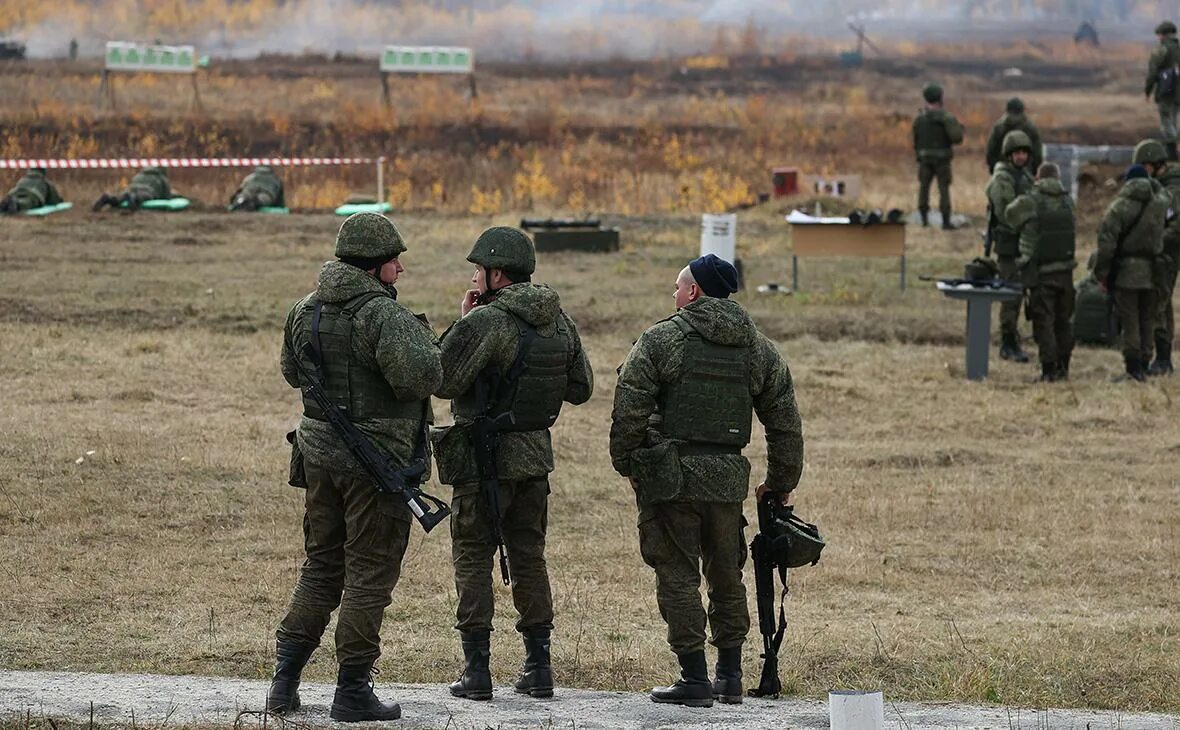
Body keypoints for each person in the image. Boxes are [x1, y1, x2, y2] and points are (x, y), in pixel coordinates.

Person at [609, 254, 804, 708]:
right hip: (727, 482)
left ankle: (693, 678)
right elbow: (784, 421)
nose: (674, 296)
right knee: (726, 574)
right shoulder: (758, 349)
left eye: (677, 288)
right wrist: (780, 482)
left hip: (670, 480)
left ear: (693, 292)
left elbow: (629, 407)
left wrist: (630, 465)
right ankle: (730, 676)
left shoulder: (662, 339)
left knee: (677, 574)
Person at [270, 212, 442, 721]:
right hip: (376, 466)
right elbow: (422, 378)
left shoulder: (306, 309)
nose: (400, 270)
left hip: (320, 458)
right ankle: (352, 691)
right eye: (394, 261)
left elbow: (289, 370)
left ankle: (283, 683)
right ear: (374, 267)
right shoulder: (383, 317)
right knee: (368, 576)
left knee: (321, 567)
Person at [432, 226, 593, 702]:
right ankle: (538, 668)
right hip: (534, 459)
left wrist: (463, 324)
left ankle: (477, 671)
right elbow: (581, 388)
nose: (475, 277)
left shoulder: (487, 322)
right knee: (529, 558)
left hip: (483, 460)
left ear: (496, 274)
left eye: (479, 270)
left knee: (472, 556)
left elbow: (442, 378)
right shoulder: (558, 320)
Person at [1094, 164, 1170, 382]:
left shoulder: (1119, 207)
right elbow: (1170, 206)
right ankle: (1146, 363)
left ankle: (1133, 368)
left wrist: (1102, 274)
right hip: (1154, 271)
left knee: (1130, 320)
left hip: (1127, 272)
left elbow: (1106, 244)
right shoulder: (1161, 204)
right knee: (1147, 319)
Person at [1006, 162, 1077, 382]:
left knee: (1043, 321)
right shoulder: (1068, 201)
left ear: (1038, 178)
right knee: (1063, 321)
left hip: (1041, 272)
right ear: (1057, 178)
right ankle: (1063, 368)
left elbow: (1010, 216)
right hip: (1066, 271)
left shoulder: (1030, 200)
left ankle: (1048, 371)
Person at [986, 130, 1037, 363]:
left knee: (1021, 292)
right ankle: (1007, 342)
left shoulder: (1023, 175)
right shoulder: (1002, 179)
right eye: (1017, 153)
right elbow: (1005, 212)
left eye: (1024, 153)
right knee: (1011, 294)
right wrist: (1025, 222)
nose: (1021, 157)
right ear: (1008, 154)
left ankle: (1013, 339)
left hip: (1024, 242)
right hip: (1009, 244)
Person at [1135, 139, 1180, 375]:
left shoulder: (1171, 190)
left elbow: (1175, 226)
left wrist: (1156, 242)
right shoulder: (1163, 185)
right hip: (1163, 253)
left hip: (1166, 255)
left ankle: (1163, 359)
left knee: (1158, 304)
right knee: (1161, 304)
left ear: (1153, 164)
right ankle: (1163, 358)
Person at [912, 81, 964, 229]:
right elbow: (957, 138)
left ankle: (923, 220)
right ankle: (946, 222)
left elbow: (916, 140)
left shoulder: (919, 119)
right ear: (940, 98)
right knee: (944, 189)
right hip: (942, 159)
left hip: (924, 158)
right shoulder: (947, 118)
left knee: (924, 188)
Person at [1146, 21, 1180, 161]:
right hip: (1178, 94)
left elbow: (1153, 72)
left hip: (1166, 92)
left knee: (1167, 125)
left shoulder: (1162, 49)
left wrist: (1148, 90)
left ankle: (1173, 154)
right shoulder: (1178, 48)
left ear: (1163, 35)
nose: (1158, 37)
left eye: (1159, 35)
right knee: (1173, 121)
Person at [985, 98, 1043, 173]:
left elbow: (991, 151)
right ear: (1022, 110)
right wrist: (1033, 171)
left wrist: (993, 169)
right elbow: (1037, 154)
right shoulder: (1030, 128)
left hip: (1002, 170)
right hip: (1025, 172)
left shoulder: (999, 127)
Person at [92, 166, 171, 211]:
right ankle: (133, 198)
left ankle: (108, 198)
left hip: (131, 188)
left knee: (120, 198)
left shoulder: (140, 174)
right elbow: (166, 195)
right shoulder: (161, 178)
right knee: (141, 196)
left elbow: (131, 182)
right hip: (147, 190)